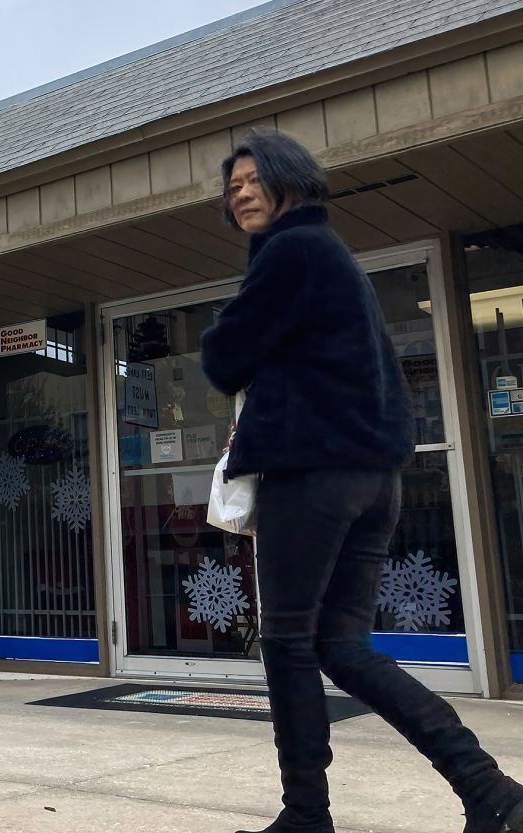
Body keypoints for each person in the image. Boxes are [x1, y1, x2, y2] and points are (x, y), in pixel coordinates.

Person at [200, 129, 523, 833]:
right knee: (342, 646)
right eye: (232, 186)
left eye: (254, 178)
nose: (241, 192)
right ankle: (491, 790)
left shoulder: (290, 251)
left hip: (313, 476)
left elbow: (224, 358)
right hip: (373, 480)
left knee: (287, 640)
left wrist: (230, 335)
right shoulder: (332, 256)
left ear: (291, 179)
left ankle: (306, 816)